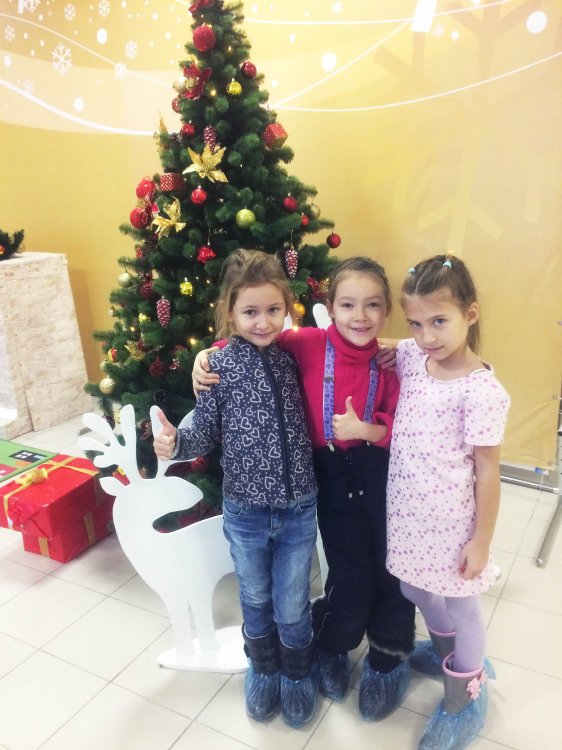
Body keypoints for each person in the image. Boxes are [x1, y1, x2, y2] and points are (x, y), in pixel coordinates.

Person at [194, 256, 416, 721]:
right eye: (348, 304)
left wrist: (396, 356)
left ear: (387, 309)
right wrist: (208, 354)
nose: (360, 316)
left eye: (373, 305)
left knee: (391, 568)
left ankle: (388, 655)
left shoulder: (394, 361)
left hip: (381, 474)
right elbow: (252, 336)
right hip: (328, 475)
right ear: (329, 308)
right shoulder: (305, 343)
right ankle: (332, 647)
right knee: (347, 571)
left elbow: (408, 423)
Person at [153, 249, 319, 729]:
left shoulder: (294, 357)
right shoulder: (217, 368)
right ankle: (263, 668)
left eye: (273, 310)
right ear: (230, 312)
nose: (263, 322)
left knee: (292, 597)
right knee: (255, 593)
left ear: (286, 308)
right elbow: (203, 432)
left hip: (298, 507)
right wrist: (175, 442)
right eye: (250, 312)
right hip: (246, 511)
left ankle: (296, 671)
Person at [386, 254, 510, 750]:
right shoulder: (414, 357)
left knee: (462, 605)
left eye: (439, 321)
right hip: (407, 512)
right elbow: (372, 341)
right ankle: (445, 648)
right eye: (415, 324)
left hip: (453, 523)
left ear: (470, 314)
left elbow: (488, 471)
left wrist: (481, 541)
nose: (425, 336)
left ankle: (463, 693)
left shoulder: (483, 391)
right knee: (412, 588)